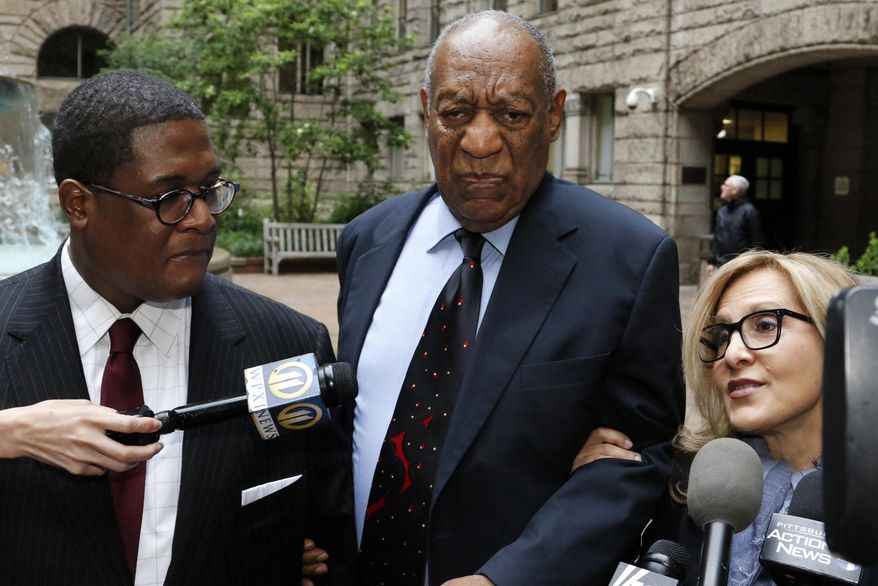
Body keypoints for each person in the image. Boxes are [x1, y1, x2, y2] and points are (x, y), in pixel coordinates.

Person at [332, 10, 684, 585]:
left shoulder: (628, 259)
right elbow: (347, 423)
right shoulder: (367, 239)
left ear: (554, 116)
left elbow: (637, 459)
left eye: (512, 114)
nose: (480, 142)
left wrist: (509, 578)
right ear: (426, 111)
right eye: (455, 113)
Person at [0, 69, 356, 586]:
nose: (202, 218)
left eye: (208, 190)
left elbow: (329, 546)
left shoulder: (289, 347)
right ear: (79, 204)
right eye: (169, 199)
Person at [574, 250, 875, 585]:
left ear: (837, 337)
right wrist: (591, 502)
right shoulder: (692, 480)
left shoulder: (867, 498)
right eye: (720, 337)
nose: (731, 355)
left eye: (765, 325)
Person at [708, 175, 763, 274]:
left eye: (726, 185)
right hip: (722, 266)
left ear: (735, 191)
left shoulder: (749, 211)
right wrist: (711, 262)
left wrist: (753, 264)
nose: (722, 187)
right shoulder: (722, 212)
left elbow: (756, 241)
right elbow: (716, 239)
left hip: (741, 266)